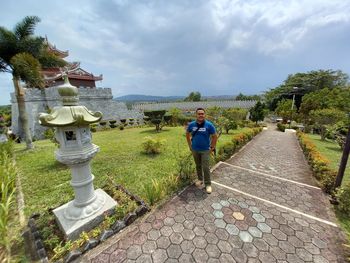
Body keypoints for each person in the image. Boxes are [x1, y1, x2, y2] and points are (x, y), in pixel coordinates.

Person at [186, 108, 217, 194]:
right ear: (196, 115)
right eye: (199, 114)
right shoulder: (192, 124)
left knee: (206, 167)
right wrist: (190, 145)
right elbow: (187, 134)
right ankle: (200, 179)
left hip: (205, 150)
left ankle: (208, 184)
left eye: (202, 113)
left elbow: (215, 136)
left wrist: (212, 146)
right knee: (198, 165)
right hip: (195, 149)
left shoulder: (209, 125)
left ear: (205, 115)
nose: (201, 115)